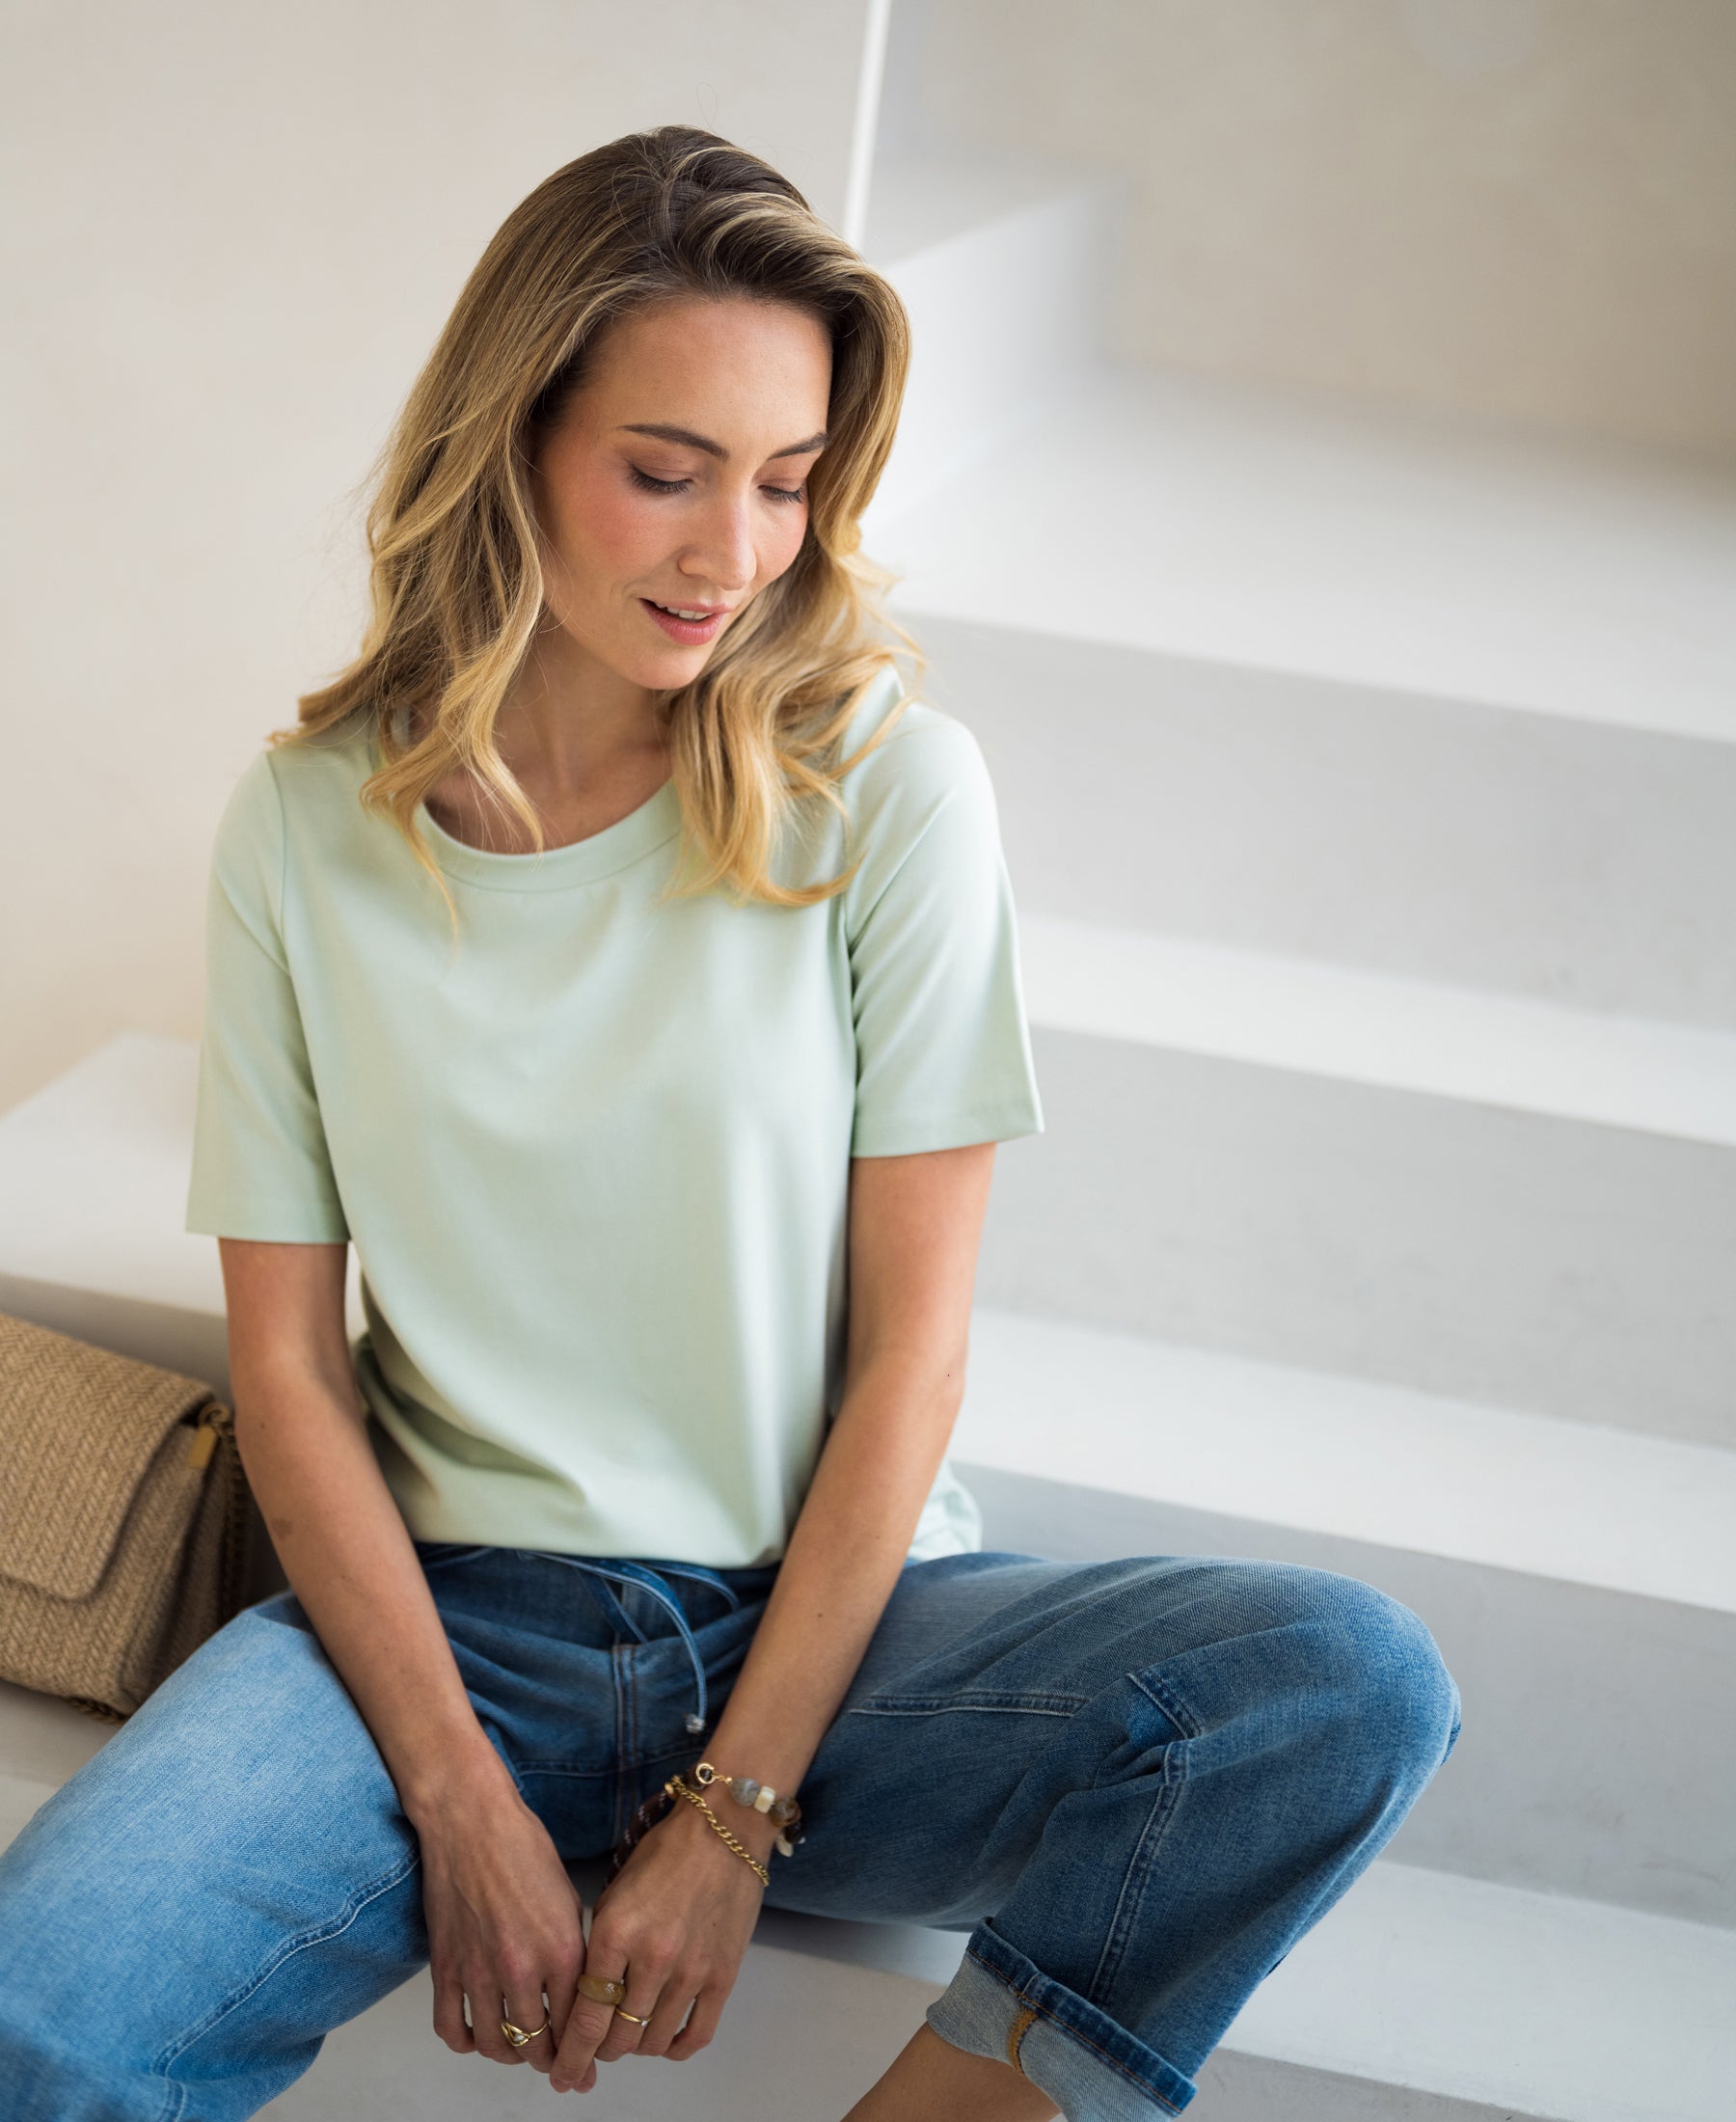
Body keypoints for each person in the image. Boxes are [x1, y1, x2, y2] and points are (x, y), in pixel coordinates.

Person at [0, 125, 1459, 2121]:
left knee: (1339, 1684)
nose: (730, 552)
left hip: (837, 1643)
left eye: (786, 482)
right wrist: (459, 1791)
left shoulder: (888, 790)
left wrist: (734, 1803)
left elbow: (912, 1354)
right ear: (511, 441)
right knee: (39, 2012)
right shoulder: (304, 826)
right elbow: (287, 1365)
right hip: (447, 1622)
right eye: (664, 470)